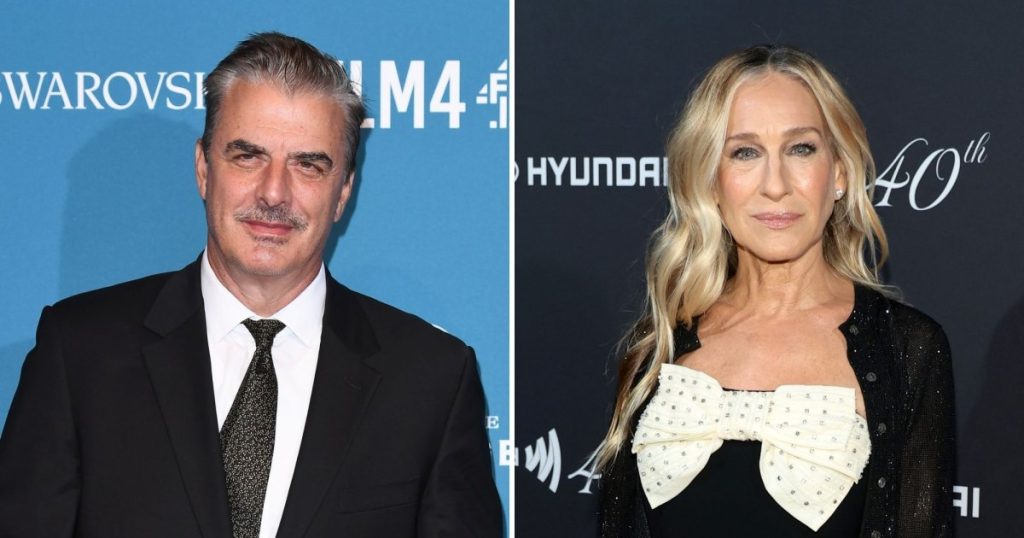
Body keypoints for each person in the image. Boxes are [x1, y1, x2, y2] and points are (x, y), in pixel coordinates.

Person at [0, 32, 503, 538]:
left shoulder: (430, 379)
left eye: (309, 165)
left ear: (343, 192)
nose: (274, 193)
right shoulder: (80, 352)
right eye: (248, 156)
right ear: (203, 169)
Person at [596, 45, 954, 538]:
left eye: (800, 148)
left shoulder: (905, 349)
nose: (776, 185)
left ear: (839, 172)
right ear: (711, 182)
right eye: (745, 152)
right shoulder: (658, 347)